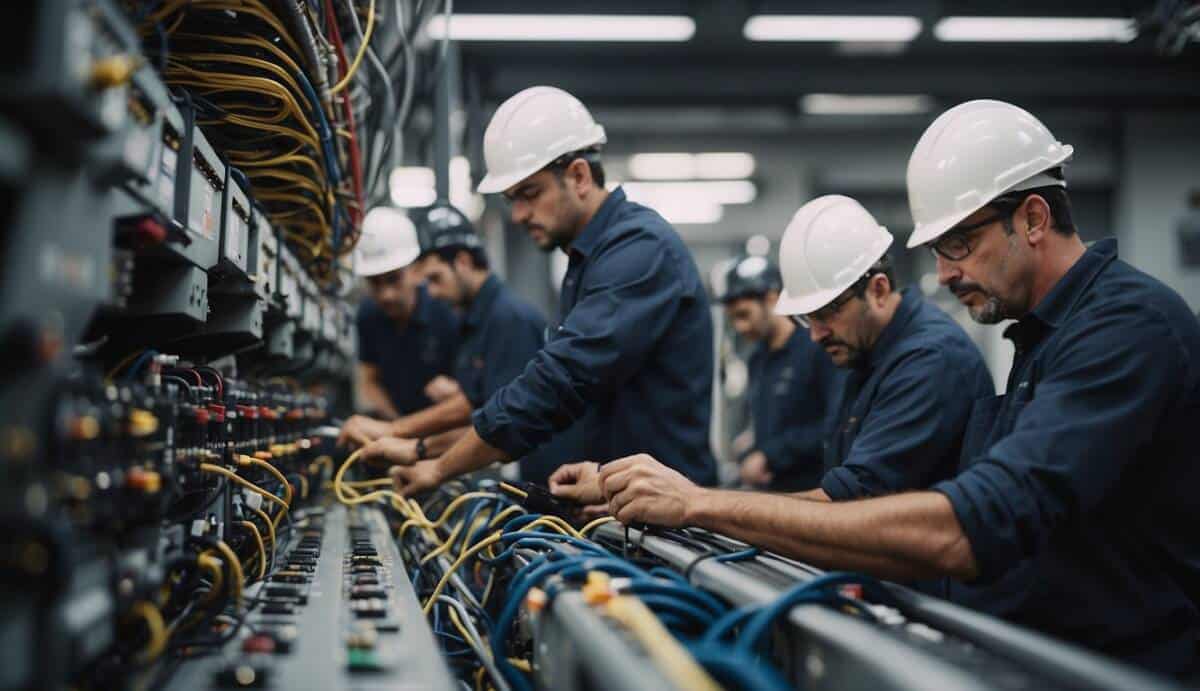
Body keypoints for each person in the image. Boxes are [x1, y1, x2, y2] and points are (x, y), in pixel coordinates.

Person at [569, 101, 1200, 678]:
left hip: (1120, 668)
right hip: (1037, 649)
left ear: (1032, 218)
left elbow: (970, 527)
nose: (944, 272)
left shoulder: (1124, 327)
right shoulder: (1041, 336)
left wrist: (699, 505)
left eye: (959, 243)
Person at [365, 85, 718, 492]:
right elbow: (550, 405)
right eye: (513, 199)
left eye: (529, 194)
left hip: (671, 524)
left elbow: (554, 387)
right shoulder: (590, 261)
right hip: (622, 502)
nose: (518, 215)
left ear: (579, 176)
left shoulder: (639, 251)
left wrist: (437, 467)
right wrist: (423, 450)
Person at [342, 203, 580, 485]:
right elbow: (479, 406)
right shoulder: (478, 319)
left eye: (434, 278)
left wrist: (411, 443)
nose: (429, 291)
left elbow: (504, 426)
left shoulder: (508, 318)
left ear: (464, 262)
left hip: (547, 479)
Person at [718, 255, 838, 491]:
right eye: (733, 319)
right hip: (772, 491)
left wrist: (770, 455)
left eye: (744, 315)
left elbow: (835, 427)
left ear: (772, 300)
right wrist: (751, 443)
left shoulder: (817, 350)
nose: (740, 327)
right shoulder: (757, 359)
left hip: (814, 494)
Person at [350, 207, 458, 420]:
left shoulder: (445, 312)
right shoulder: (367, 314)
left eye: (394, 279)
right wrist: (397, 427)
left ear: (417, 271)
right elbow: (369, 380)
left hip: (445, 427)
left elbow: (469, 394)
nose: (386, 295)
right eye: (374, 283)